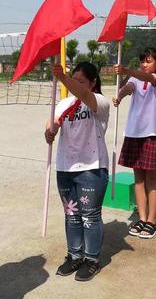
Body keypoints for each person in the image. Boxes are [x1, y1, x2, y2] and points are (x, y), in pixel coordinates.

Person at [45, 62, 110, 282]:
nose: (75, 84)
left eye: (80, 80)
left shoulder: (99, 101)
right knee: (72, 215)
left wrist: (64, 78)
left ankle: (92, 259)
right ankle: (75, 255)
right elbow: (53, 123)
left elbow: (82, 94)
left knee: (90, 217)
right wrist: (49, 131)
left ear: (93, 82)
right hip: (65, 167)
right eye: (74, 79)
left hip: (91, 168)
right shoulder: (63, 103)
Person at [112, 47, 156, 239]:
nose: (145, 64)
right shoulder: (135, 78)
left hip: (152, 133)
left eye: (149, 61)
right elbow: (129, 88)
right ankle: (142, 218)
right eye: (143, 61)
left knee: (151, 180)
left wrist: (127, 71)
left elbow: (148, 79)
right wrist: (119, 95)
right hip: (134, 133)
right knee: (139, 179)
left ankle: (152, 220)